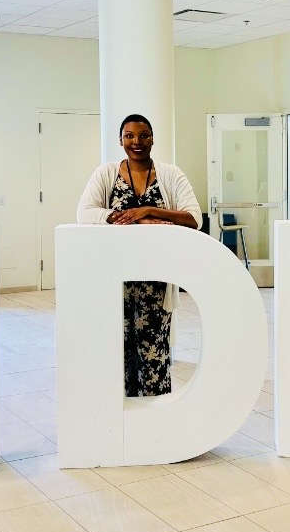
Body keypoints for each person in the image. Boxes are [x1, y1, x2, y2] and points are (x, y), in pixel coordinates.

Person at [77, 114, 202, 397]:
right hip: (115, 282)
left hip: (156, 284)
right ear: (120, 140)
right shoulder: (106, 174)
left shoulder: (171, 174)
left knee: (155, 356)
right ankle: (122, 417)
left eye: (144, 135)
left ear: (153, 139)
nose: (137, 142)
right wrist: (136, 220)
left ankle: (156, 418)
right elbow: (84, 212)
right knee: (117, 355)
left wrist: (148, 210)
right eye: (129, 136)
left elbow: (194, 218)